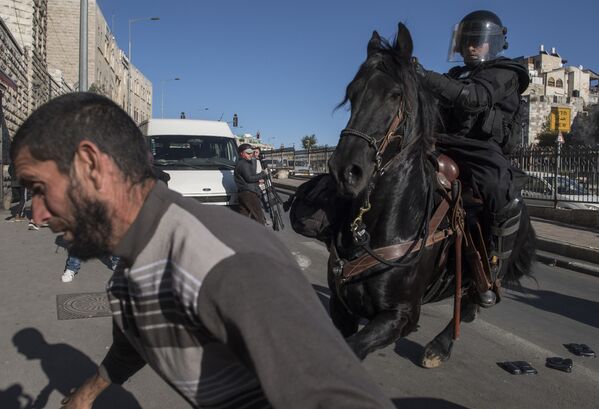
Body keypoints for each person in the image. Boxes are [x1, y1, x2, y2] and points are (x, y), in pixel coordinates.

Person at [11, 93, 394, 409]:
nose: (39, 215)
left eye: (40, 188)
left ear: (91, 164)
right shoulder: (131, 267)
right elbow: (138, 335)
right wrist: (87, 394)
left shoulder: (224, 265)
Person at [415, 10, 530, 307]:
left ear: (492, 43)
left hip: (481, 148)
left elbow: (474, 98)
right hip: (445, 141)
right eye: (466, 41)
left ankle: (494, 265)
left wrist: (425, 76)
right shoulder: (455, 75)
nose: (470, 47)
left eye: (476, 41)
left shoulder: (508, 72)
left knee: (497, 186)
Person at [234, 143, 267, 225]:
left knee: (243, 216)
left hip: (244, 193)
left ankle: (243, 235)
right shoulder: (244, 164)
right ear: (241, 153)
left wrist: (257, 180)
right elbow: (249, 178)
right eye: (248, 153)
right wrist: (263, 174)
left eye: (251, 153)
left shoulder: (241, 163)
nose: (250, 155)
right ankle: (261, 235)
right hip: (249, 193)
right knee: (259, 217)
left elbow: (248, 177)